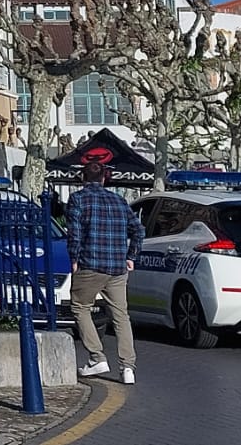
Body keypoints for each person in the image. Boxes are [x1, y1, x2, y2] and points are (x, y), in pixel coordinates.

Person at [66, 162, 142, 385]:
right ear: (104, 179)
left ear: (83, 178)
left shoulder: (78, 199)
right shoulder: (119, 200)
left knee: (80, 307)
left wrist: (74, 258)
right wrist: (131, 256)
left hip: (91, 264)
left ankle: (97, 357)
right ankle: (128, 367)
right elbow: (138, 229)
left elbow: (75, 234)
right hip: (117, 267)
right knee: (121, 315)